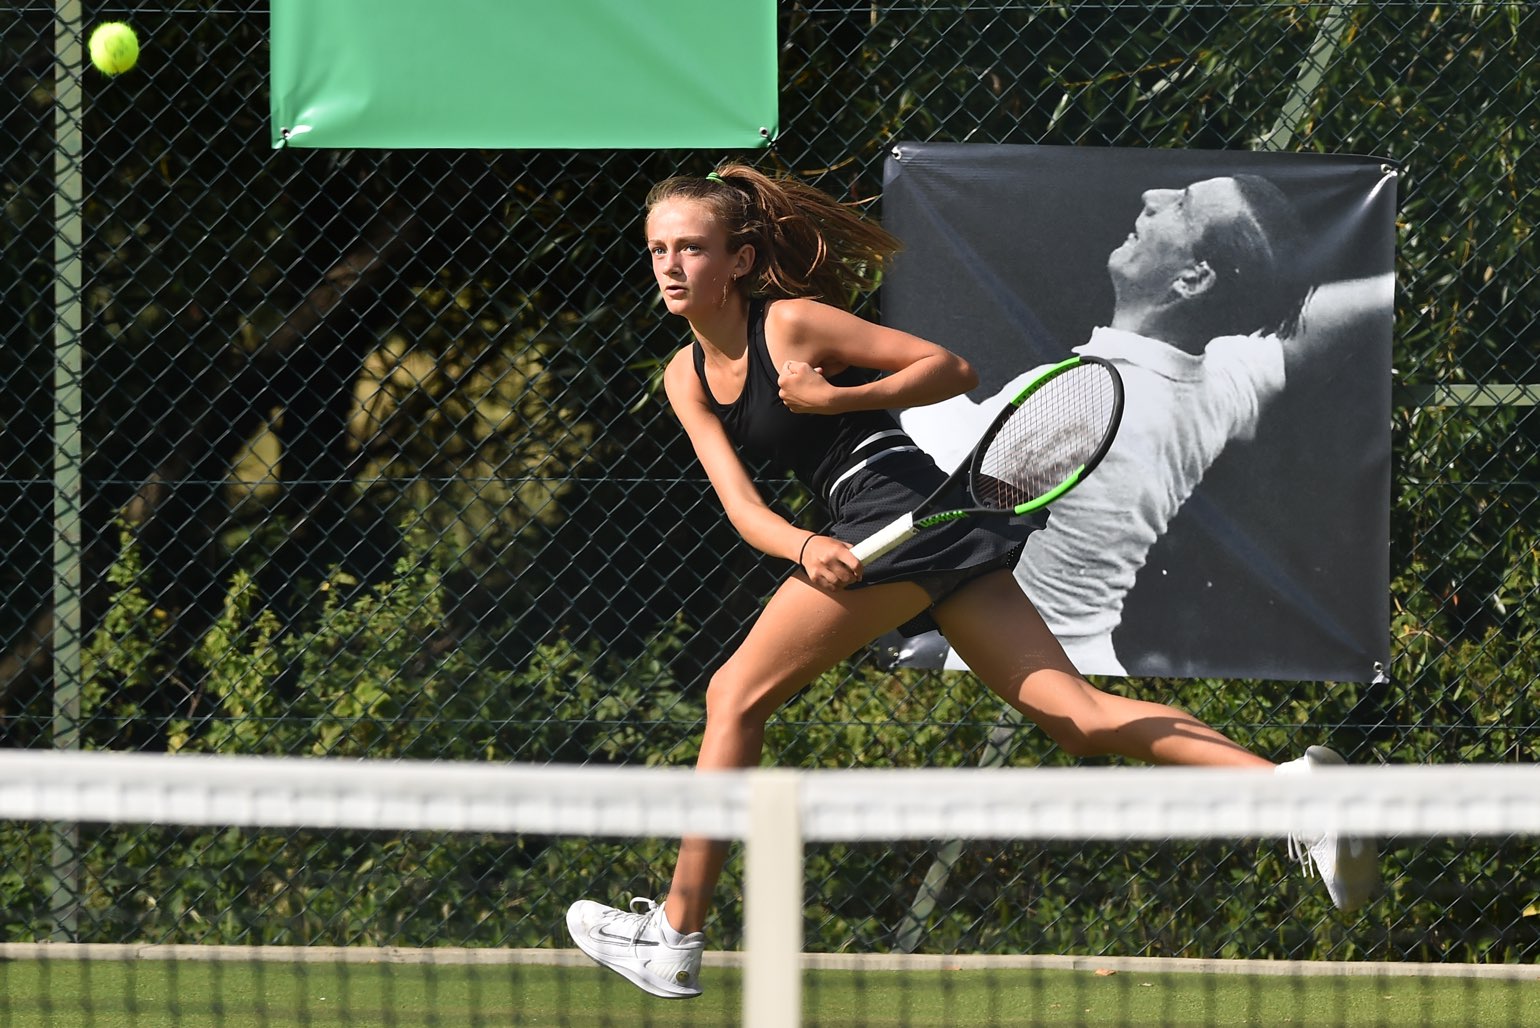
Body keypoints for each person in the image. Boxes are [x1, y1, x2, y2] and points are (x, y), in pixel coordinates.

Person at [564, 164, 1378, 1000]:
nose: (670, 264)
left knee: (735, 695)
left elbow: (945, 368)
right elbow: (740, 506)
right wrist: (805, 547)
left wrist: (832, 401)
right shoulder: (684, 377)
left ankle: (675, 933)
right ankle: (1291, 793)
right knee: (1080, 718)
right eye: (659, 248)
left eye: (691, 248)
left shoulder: (794, 327)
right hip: (891, 530)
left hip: (905, 504)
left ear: (736, 260)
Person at [900, 174, 1394, 675]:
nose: (1150, 196)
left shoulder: (1075, 399)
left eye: (1182, 206)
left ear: (1194, 279)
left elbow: (919, 501)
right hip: (1072, 669)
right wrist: (1403, 282)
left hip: (1005, 677)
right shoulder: (1210, 386)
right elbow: (1298, 342)